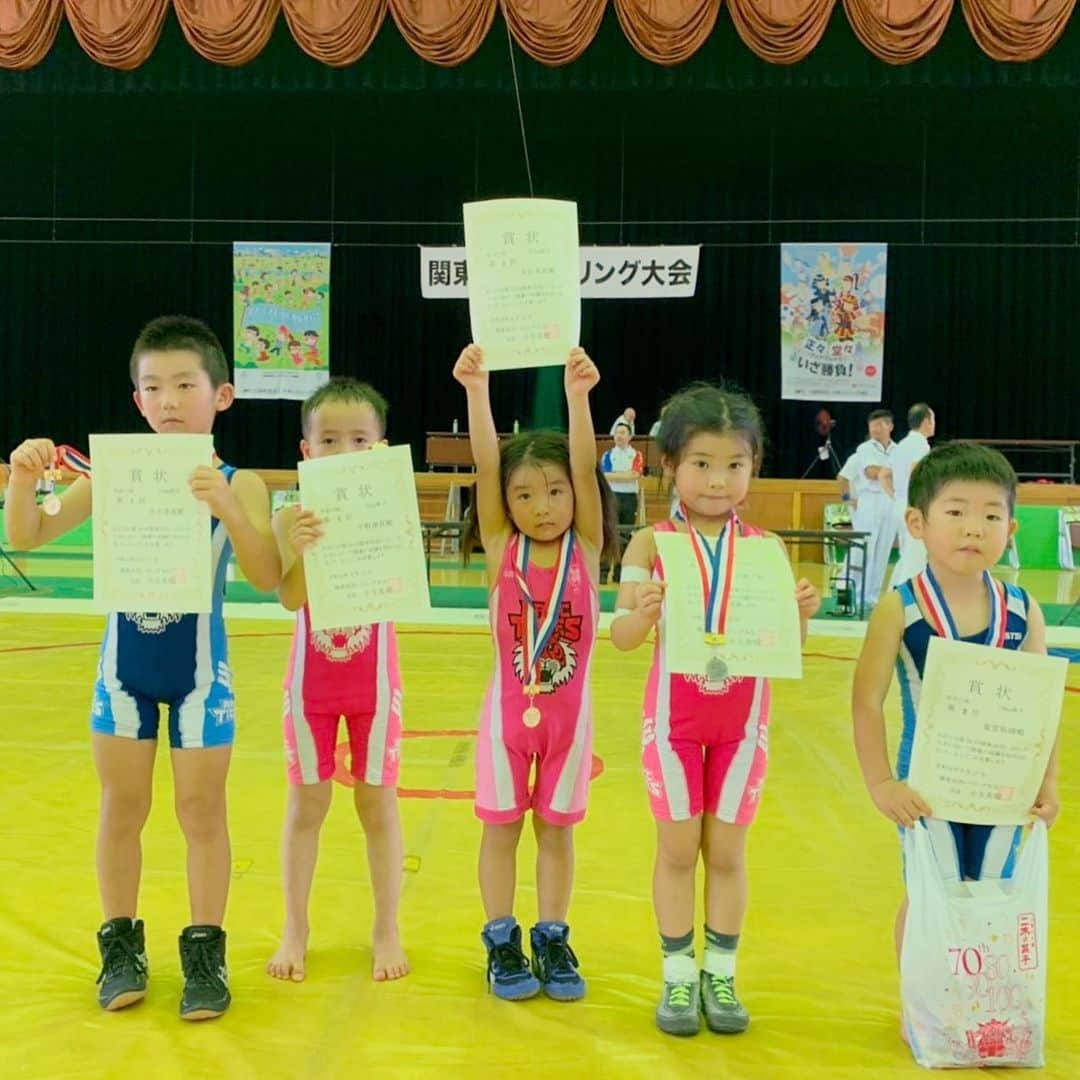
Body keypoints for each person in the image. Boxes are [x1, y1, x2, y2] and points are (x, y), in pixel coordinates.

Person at [3, 315, 281, 1020]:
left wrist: (228, 509)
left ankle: (205, 954)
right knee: (122, 809)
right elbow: (27, 536)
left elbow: (266, 576)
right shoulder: (109, 478)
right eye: (152, 386)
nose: (167, 400)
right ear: (136, 401)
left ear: (221, 394)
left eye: (185, 384)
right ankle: (121, 948)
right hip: (122, 672)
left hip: (199, 676)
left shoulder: (241, 482)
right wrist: (21, 479)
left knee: (201, 812)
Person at [610, 383, 820, 1037]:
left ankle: (720, 974)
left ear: (753, 468)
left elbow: (787, 647)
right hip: (673, 725)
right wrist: (640, 616)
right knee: (678, 849)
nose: (718, 479)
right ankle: (677, 979)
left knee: (726, 852)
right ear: (670, 465)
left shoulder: (767, 550)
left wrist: (801, 616)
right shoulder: (650, 543)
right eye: (701, 462)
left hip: (743, 727)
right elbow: (619, 638)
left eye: (735, 464)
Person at [852, 442, 1059, 1000]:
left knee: (991, 891)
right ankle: (922, 1005)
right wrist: (881, 784)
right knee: (931, 891)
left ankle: (979, 1009)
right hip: (926, 786)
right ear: (917, 522)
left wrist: (1047, 784)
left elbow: (1042, 705)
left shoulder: (1022, 610)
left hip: (1002, 785)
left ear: (1010, 528)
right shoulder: (902, 607)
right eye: (956, 511)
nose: (974, 528)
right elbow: (866, 701)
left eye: (991, 515)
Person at [453, 343, 619, 1002]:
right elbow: (488, 460)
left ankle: (552, 936)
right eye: (524, 494)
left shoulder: (587, 546)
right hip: (505, 726)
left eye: (554, 492)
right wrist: (477, 389)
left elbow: (583, 464)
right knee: (501, 831)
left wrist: (579, 398)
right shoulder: (502, 547)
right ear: (506, 503)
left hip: (570, 729)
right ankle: (501, 939)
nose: (543, 504)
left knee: (556, 833)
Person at [265, 378, 408, 986]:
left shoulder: (391, 510)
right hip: (310, 685)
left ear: (380, 448)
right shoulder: (287, 516)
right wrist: (292, 548)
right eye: (329, 440)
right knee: (307, 806)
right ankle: (295, 927)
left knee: (376, 804)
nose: (343, 450)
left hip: (375, 682)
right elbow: (290, 598)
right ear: (306, 451)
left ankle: (387, 927)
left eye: (358, 439)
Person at [881, 403, 935, 588]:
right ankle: (909, 599)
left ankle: (892, 594)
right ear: (926, 421)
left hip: (899, 504)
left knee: (906, 554)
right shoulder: (920, 444)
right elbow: (915, 472)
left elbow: (883, 475)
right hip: (913, 505)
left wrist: (896, 495)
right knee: (916, 556)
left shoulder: (901, 444)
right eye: (933, 419)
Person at [851, 409, 897, 607]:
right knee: (865, 548)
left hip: (890, 499)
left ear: (890, 427)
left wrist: (888, 473)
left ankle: (872, 597)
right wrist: (893, 472)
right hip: (870, 500)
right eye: (873, 425)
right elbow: (871, 472)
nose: (876, 428)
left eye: (881, 424)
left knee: (883, 549)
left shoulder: (898, 449)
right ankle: (856, 594)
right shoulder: (865, 448)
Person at [600, 421, 644, 581]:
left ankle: (619, 573)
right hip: (611, 496)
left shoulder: (636, 455)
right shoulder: (608, 455)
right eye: (617, 433)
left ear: (630, 436)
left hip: (629, 498)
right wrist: (624, 475)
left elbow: (635, 475)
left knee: (625, 534)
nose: (619, 436)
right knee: (608, 532)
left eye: (623, 433)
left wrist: (617, 475)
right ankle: (603, 574)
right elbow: (604, 475)